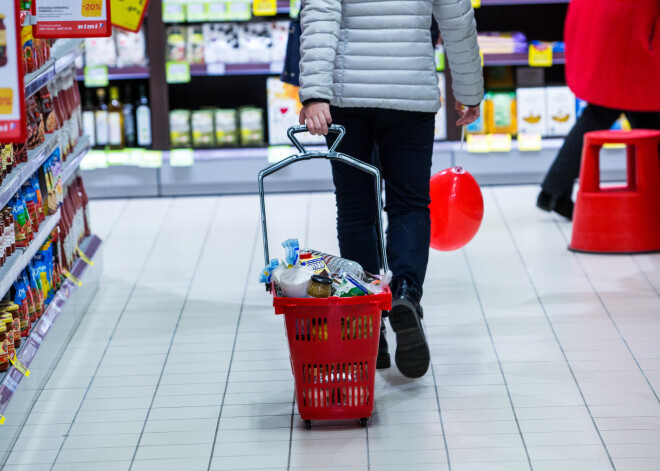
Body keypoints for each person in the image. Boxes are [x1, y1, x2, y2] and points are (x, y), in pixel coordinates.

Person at [297, 0, 484, 378]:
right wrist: (469, 88)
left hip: (347, 99)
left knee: (355, 209)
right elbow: (457, 19)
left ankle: (367, 323)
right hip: (410, 95)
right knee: (410, 205)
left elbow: (320, 13)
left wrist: (315, 93)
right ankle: (405, 293)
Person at [538, 0, 660, 220]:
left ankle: (554, 190)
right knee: (643, 111)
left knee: (612, 109)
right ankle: (553, 190)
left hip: (607, 23)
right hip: (631, 29)